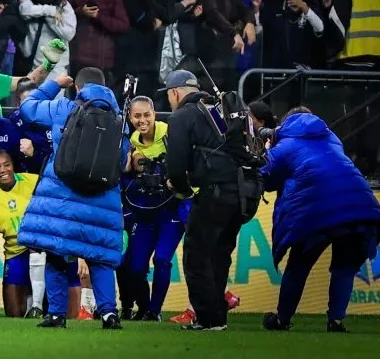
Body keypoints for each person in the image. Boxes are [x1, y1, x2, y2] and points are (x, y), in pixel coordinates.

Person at [18, 68, 126, 329]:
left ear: (77, 88)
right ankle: (109, 314)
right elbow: (121, 159)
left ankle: (56, 314)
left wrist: (53, 84)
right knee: (99, 257)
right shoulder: (119, 117)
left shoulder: (64, 107)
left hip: (61, 195)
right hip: (103, 198)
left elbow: (28, 108)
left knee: (56, 252)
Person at [261, 108, 380, 332]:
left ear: (285, 125)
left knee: (298, 266)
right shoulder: (332, 138)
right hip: (361, 206)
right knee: (344, 268)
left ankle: (282, 319)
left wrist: (267, 150)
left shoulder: (285, 146)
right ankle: (336, 321)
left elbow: (266, 178)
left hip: (316, 209)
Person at [163, 70, 260, 331]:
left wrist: (182, 189)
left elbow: (175, 165)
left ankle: (207, 319)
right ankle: (217, 319)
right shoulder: (219, 108)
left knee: (196, 256)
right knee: (219, 255)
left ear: (175, 93)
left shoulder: (183, 115)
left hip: (214, 193)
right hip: (244, 193)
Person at [121, 96, 186, 322]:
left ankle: (154, 311)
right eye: (137, 116)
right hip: (145, 212)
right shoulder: (132, 140)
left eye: (146, 115)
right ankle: (146, 308)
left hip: (171, 211)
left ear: (154, 115)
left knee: (162, 260)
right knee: (136, 267)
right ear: (130, 118)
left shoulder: (169, 132)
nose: (142, 120)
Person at [0, 149, 40, 317]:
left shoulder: (33, 181)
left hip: (40, 248)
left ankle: (36, 303)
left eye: (7, 165)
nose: (3, 170)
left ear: (13, 165)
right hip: (15, 252)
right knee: (13, 314)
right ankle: (30, 301)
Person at [64, 0, 129, 77]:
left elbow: (123, 25)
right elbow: (61, 19)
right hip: (78, 60)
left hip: (104, 61)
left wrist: (98, 17)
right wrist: (80, 12)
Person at [19, 0, 74, 78]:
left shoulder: (64, 5)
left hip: (55, 68)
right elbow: (24, 11)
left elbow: (68, 34)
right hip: (30, 64)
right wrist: (50, 10)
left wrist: (50, 20)